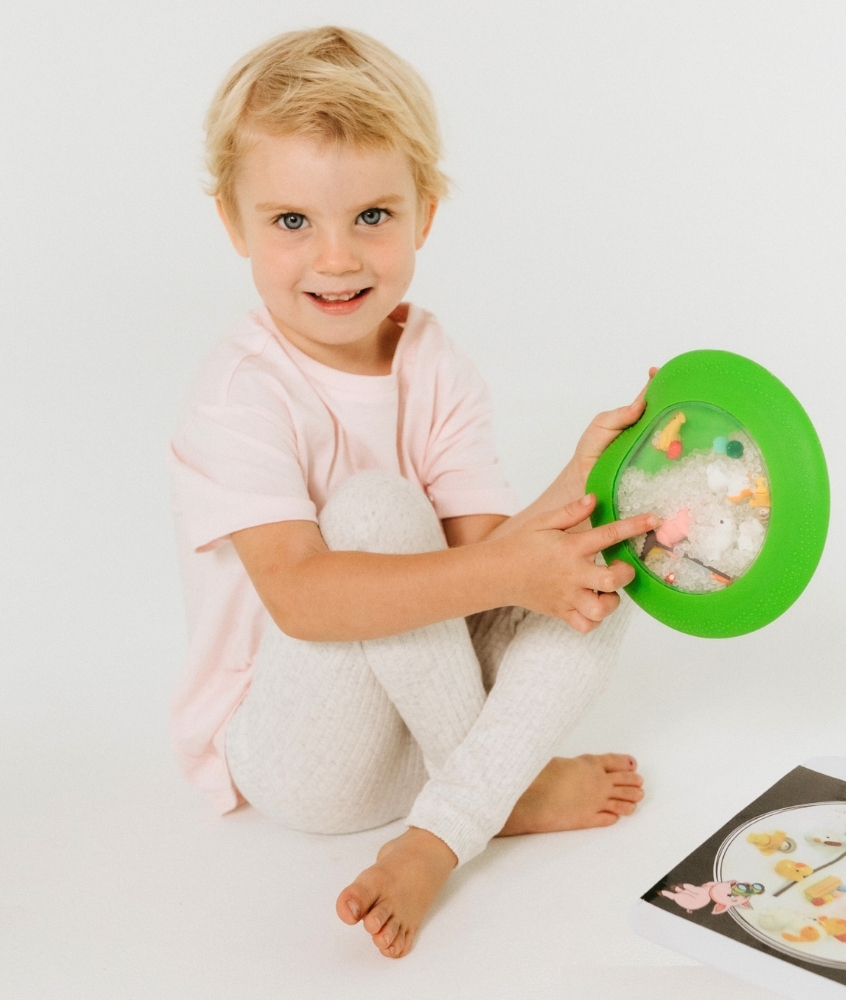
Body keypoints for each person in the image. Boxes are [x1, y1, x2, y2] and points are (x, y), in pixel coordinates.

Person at [168, 25, 657, 960]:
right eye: (291, 222)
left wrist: (578, 493)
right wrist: (522, 562)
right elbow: (305, 598)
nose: (338, 258)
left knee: (605, 556)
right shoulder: (241, 394)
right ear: (234, 222)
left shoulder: (433, 360)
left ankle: (457, 805)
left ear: (424, 212)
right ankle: (483, 804)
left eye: (373, 217)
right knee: (376, 511)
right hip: (302, 754)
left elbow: (491, 565)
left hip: (426, 728)